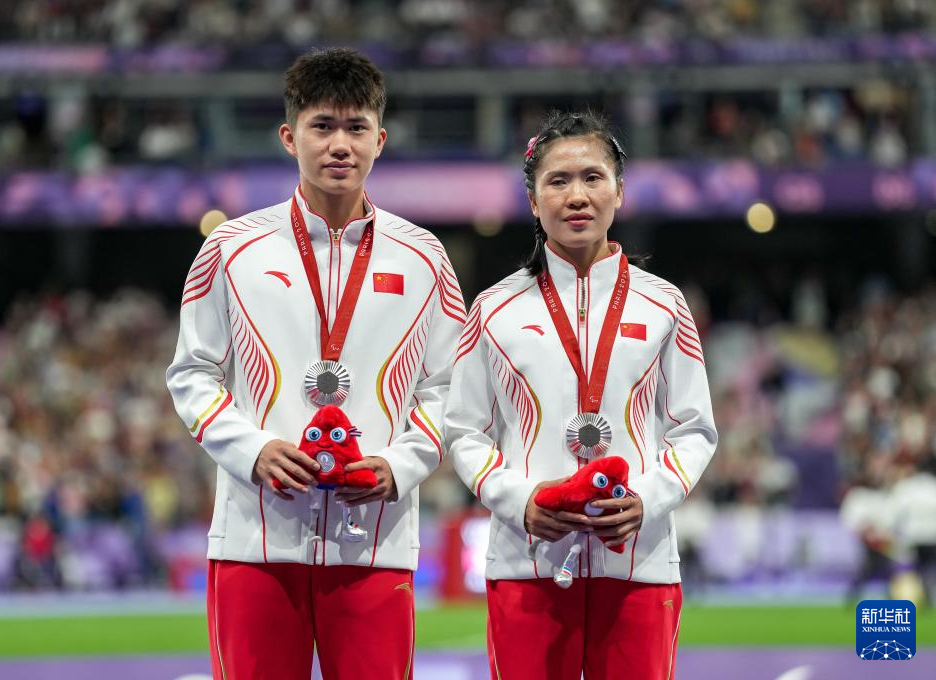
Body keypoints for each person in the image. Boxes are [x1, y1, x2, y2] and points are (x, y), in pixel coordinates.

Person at [166, 48, 465, 680]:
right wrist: (251, 450)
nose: (339, 145)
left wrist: (402, 464)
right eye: (321, 126)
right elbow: (191, 374)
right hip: (255, 540)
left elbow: (452, 388)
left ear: (380, 140)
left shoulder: (425, 258)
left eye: (356, 128)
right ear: (289, 136)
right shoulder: (230, 249)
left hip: (375, 541)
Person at [444, 110, 717, 679]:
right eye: (558, 181)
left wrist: (647, 500)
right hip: (527, 563)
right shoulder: (493, 309)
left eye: (593, 177)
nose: (577, 195)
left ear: (619, 192)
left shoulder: (665, 304)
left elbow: (694, 429)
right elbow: (464, 431)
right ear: (532, 200)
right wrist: (519, 501)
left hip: (639, 562)